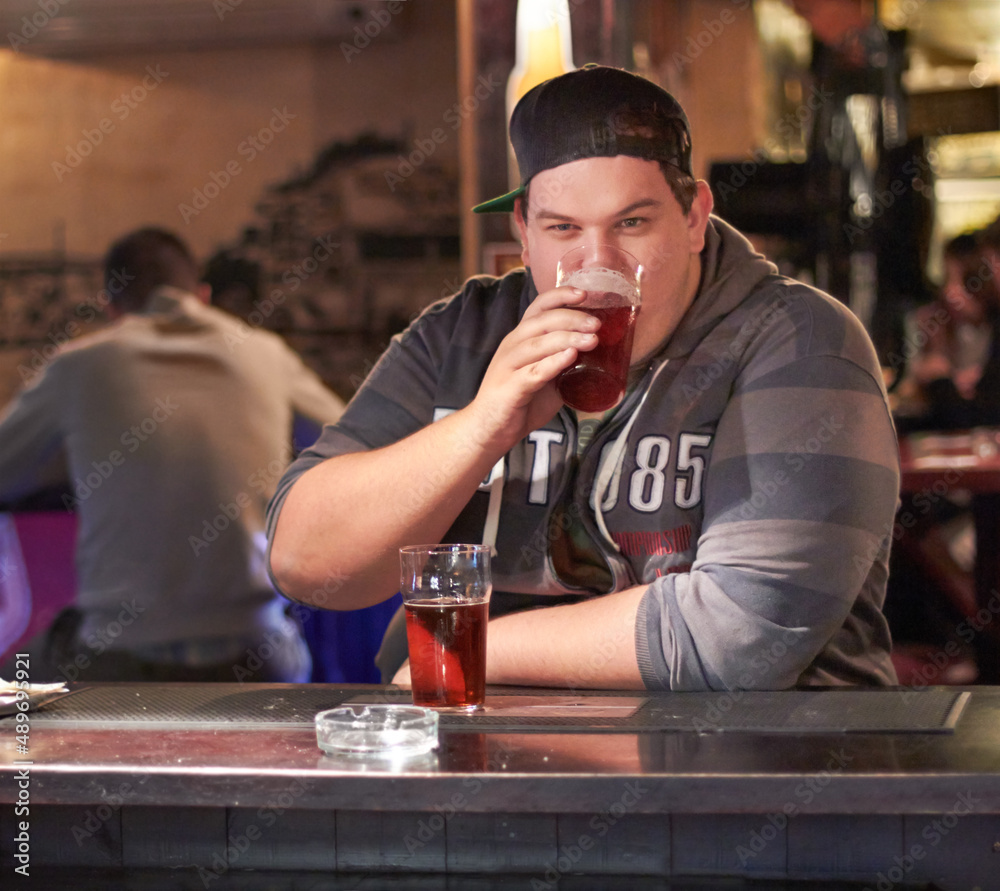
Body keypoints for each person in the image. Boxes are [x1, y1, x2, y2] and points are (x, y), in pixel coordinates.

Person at [266, 65, 900, 691]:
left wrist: (467, 644)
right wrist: (484, 426)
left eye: (631, 223)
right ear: (523, 232)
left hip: (749, 769)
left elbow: (745, 633)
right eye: (563, 228)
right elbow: (305, 565)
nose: (598, 266)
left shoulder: (800, 341)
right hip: (483, 764)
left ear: (694, 217)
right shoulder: (464, 333)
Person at [0, 227, 346, 682]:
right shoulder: (266, 353)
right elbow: (352, 445)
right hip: (257, 653)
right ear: (202, 296)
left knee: (17, 681)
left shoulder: (79, 365)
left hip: (121, 653)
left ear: (111, 307)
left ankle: (20, 749)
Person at [893, 230, 1000, 433]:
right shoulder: (932, 322)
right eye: (947, 278)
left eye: (967, 280)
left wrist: (939, 377)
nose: (950, 292)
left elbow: (975, 420)